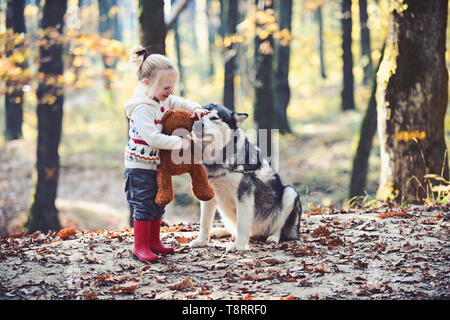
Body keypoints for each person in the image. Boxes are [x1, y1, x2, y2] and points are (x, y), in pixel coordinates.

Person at [124, 46, 207, 263]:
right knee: (143, 203)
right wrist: (179, 143)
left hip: (157, 165)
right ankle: (140, 246)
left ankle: (154, 241)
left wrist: (196, 108)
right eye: (165, 87)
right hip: (139, 165)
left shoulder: (163, 98)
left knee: (157, 203)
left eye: (172, 86)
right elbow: (153, 138)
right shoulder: (142, 107)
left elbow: (182, 102)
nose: (170, 91)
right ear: (146, 83)